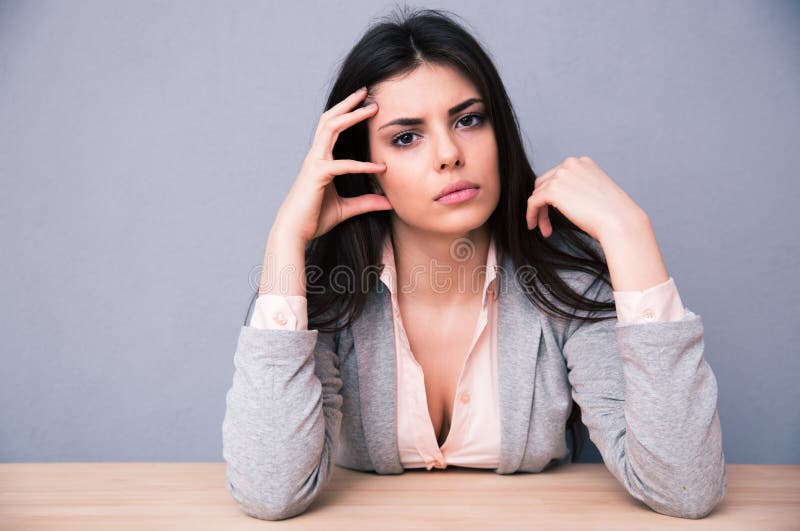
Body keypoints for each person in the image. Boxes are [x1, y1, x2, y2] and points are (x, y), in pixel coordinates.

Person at [222, 7, 726, 522]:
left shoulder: (566, 285)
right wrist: (285, 238)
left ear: (498, 131)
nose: (448, 154)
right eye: (406, 137)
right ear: (365, 170)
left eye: (468, 120)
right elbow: (272, 491)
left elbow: (684, 488)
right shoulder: (328, 293)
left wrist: (629, 234)